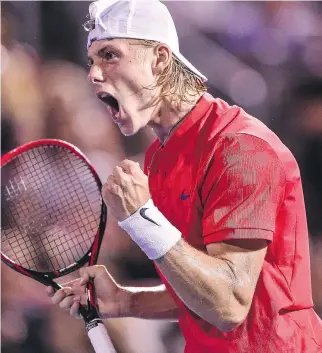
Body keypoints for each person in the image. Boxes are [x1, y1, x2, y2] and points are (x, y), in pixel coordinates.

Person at [47, 0, 322, 352]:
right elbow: (199, 290)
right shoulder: (159, 158)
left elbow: (229, 304)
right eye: (92, 60)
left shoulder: (242, 148)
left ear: (160, 60)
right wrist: (124, 301)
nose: (94, 74)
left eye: (110, 55)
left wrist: (141, 219)